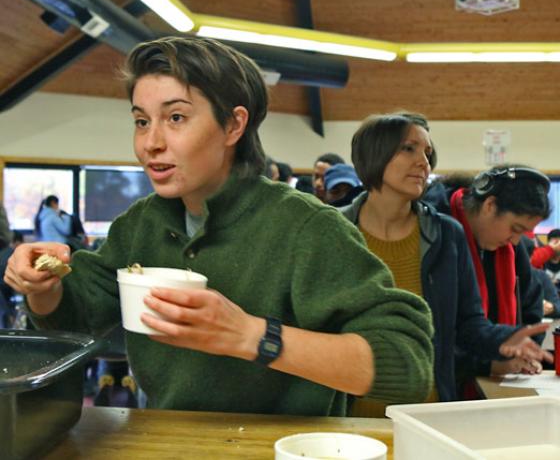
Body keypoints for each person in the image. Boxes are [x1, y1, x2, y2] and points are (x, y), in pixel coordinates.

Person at [5, 35, 435, 416]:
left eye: (175, 118)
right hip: (171, 442)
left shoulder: (306, 227)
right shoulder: (141, 224)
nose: (151, 142)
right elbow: (77, 319)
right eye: (141, 121)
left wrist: (250, 335)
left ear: (233, 124)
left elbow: (406, 362)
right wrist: (44, 287)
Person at [340, 113, 550, 414]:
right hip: (346, 414)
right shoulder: (334, 230)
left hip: (428, 411)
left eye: (427, 153)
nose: (423, 162)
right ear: (374, 154)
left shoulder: (447, 233)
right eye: (409, 148)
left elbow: (468, 325)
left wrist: (505, 337)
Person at [424, 164, 551, 392]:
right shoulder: (435, 234)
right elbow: (437, 335)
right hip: (436, 386)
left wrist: (523, 352)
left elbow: (531, 306)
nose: (515, 241)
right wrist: (487, 363)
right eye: (515, 228)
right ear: (490, 205)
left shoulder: (511, 248)